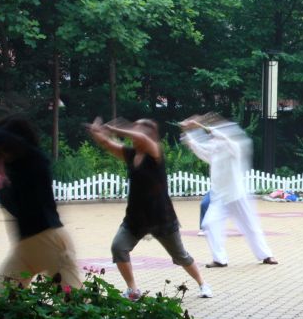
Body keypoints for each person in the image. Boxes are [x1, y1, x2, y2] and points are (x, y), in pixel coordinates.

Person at [87, 117, 212, 299]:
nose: (133, 136)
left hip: (161, 217)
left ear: (149, 135)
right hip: (136, 218)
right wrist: (97, 133)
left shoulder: (155, 152)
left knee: (180, 256)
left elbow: (142, 139)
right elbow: (107, 144)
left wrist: (118, 129)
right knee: (118, 247)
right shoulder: (130, 154)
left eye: (137, 132)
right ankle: (133, 289)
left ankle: (203, 284)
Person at [0, 116, 83, 291]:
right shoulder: (4, 172)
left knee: (74, 303)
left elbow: (10, 141)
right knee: (0, 300)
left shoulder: (34, 161)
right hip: (24, 248)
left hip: (51, 242)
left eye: (1, 148)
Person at [180, 116, 278, 267]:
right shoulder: (214, 149)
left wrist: (200, 125)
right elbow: (199, 148)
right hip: (219, 196)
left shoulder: (234, 147)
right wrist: (189, 132)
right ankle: (219, 259)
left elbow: (224, 137)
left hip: (237, 194)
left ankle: (266, 255)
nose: (213, 138)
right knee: (209, 223)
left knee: (250, 226)